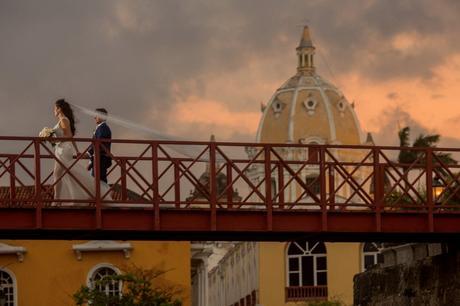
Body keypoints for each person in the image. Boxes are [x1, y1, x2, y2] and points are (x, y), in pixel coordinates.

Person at [52, 99, 110, 205]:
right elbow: (71, 137)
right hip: (62, 149)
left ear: (59, 109)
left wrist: (54, 139)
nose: (54, 111)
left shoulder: (64, 120)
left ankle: (58, 200)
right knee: (66, 173)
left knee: (59, 174)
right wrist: (79, 151)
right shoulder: (64, 120)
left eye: (55, 108)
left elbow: (69, 136)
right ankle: (62, 199)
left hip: (63, 150)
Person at [87, 108, 112, 183]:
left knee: (100, 181)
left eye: (96, 116)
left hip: (101, 160)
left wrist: (88, 154)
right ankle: (103, 194)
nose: (94, 117)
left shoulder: (103, 128)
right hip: (98, 159)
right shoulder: (101, 128)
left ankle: (104, 194)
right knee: (98, 181)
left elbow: (98, 145)